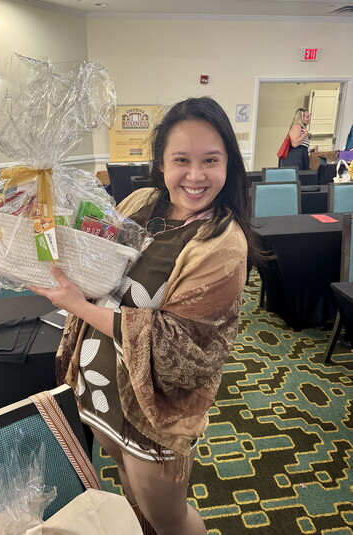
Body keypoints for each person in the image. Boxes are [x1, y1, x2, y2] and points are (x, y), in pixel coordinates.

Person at [29, 96, 264, 535]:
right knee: (132, 497)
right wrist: (47, 213)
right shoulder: (142, 201)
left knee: (170, 519)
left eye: (210, 160)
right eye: (182, 160)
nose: (195, 175)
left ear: (229, 164)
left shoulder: (222, 243)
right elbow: (95, 259)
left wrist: (78, 305)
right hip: (101, 388)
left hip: (154, 411)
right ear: (161, 162)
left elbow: (180, 347)